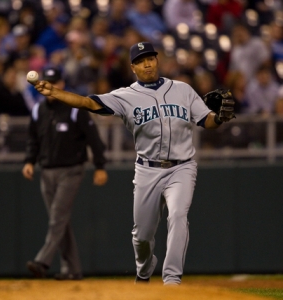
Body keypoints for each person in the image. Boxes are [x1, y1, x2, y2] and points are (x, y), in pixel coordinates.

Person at [29, 42, 235, 285]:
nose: (147, 63)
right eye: (141, 60)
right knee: (142, 236)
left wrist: (219, 118)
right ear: (133, 67)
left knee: (178, 216)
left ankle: (172, 280)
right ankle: (144, 270)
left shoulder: (183, 90)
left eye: (150, 58)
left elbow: (206, 120)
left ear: (157, 61)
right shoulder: (125, 96)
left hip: (182, 167)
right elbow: (87, 103)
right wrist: (55, 93)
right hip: (147, 170)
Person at [22, 67, 108, 280]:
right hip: (46, 170)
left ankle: (43, 261)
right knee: (59, 221)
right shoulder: (37, 110)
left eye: (56, 82)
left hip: (71, 170)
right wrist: (29, 161)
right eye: (48, 81)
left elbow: (94, 139)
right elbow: (33, 139)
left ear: (62, 84)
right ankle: (72, 269)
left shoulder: (75, 109)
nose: (52, 86)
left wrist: (100, 166)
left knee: (57, 217)